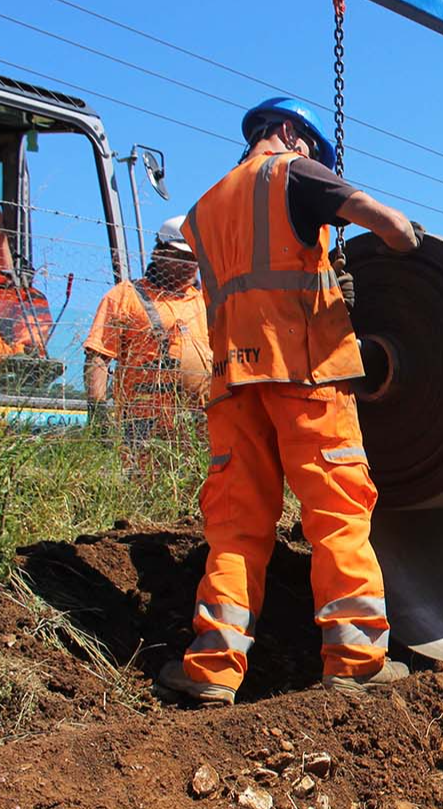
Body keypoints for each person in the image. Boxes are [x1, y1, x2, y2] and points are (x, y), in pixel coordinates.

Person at [153, 97, 423, 707]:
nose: (311, 158)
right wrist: (406, 240)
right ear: (287, 132)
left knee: (236, 526)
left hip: (232, 383)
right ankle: (354, 660)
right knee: (338, 510)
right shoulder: (292, 172)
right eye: (311, 147)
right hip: (304, 373)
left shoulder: (204, 208)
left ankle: (212, 670)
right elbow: (386, 223)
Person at [83, 216, 210, 445]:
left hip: (200, 425)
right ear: (159, 253)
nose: (190, 264)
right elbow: (98, 357)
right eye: (182, 256)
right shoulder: (126, 295)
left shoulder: (206, 301)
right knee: (143, 479)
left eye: (195, 257)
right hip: (143, 423)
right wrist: (98, 412)